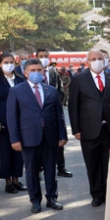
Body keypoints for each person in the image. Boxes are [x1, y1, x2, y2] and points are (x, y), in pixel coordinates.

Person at [6, 59, 68, 213]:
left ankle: (52, 198)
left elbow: (59, 115)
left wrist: (63, 135)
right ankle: (35, 201)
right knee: (32, 171)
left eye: (39, 70)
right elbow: (12, 117)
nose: (36, 73)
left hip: (50, 136)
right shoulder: (16, 91)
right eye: (32, 70)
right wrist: (15, 139)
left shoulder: (51, 90)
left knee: (50, 169)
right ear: (25, 73)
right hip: (28, 137)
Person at [68, 49, 110, 207]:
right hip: (88, 129)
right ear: (88, 61)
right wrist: (76, 129)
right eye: (94, 59)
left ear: (105, 60)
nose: (97, 61)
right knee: (92, 163)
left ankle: (109, 192)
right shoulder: (79, 80)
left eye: (100, 58)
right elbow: (73, 106)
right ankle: (96, 194)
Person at [0, 53, 27, 194]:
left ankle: (16, 180)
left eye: (11, 62)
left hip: (19, 120)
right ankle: (8, 182)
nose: (9, 64)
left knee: (18, 152)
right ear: (0, 63)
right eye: (6, 62)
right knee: (5, 152)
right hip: (2, 121)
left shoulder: (20, 79)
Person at [36, 49, 72, 178]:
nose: (44, 58)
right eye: (41, 56)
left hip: (53, 112)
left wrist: (58, 104)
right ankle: (39, 169)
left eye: (46, 56)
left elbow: (61, 90)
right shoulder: (33, 74)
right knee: (39, 141)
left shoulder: (54, 73)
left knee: (59, 140)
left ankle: (61, 167)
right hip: (38, 113)